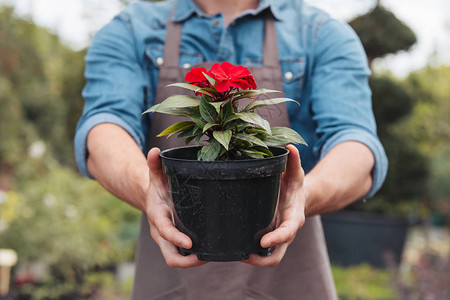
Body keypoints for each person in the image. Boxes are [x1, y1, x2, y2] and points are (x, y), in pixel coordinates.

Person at [74, 0, 388, 299]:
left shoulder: (320, 33)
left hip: (288, 279)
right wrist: (147, 189)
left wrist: (301, 195)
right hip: (171, 270)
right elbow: (104, 127)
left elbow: (356, 145)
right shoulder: (131, 29)